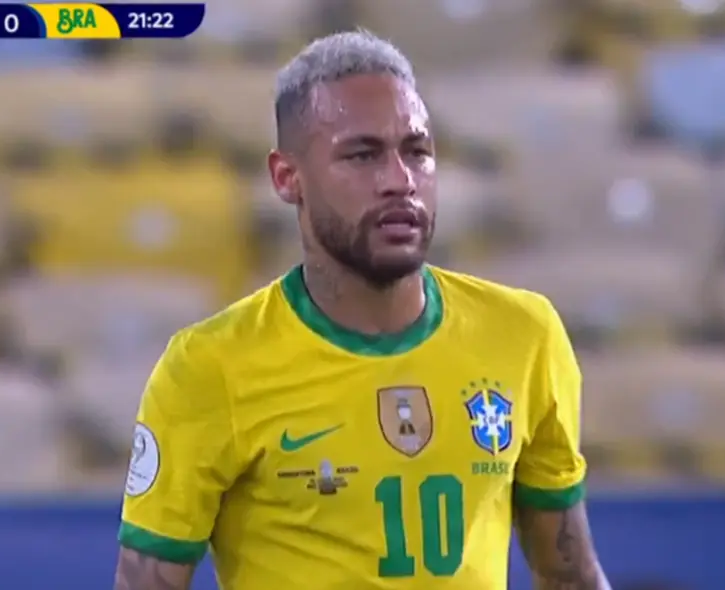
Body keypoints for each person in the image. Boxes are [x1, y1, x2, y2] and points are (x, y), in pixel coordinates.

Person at [114, 29, 611, 590]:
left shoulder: (525, 336)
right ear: (287, 177)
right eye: (362, 155)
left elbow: (570, 576)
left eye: (417, 151)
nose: (400, 182)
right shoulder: (209, 368)